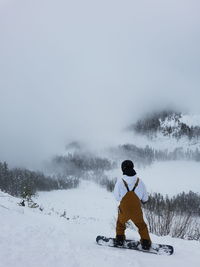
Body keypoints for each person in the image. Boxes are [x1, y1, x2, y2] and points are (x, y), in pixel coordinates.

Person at [114, 160, 151, 250]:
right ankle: (146, 243)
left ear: (123, 169)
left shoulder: (120, 182)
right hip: (136, 211)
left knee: (120, 224)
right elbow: (145, 199)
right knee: (141, 226)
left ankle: (119, 240)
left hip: (124, 210)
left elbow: (117, 197)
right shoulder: (140, 182)